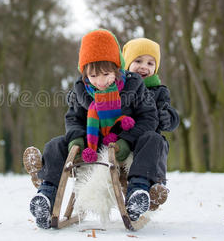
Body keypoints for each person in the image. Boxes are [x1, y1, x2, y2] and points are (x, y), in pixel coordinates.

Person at [28, 29, 167, 229]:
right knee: (56, 144)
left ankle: (138, 191)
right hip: (92, 143)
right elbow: (73, 118)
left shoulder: (134, 86)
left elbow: (149, 117)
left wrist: (126, 141)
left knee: (153, 139)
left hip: (126, 141)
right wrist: (76, 138)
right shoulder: (80, 90)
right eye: (93, 76)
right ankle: (46, 196)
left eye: (106, 74)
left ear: (117, 69)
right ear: (84, 73)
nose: (100, 82)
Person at [122, 37, 180, 210]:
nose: (144, 66)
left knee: (156, 140)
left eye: (150, 63)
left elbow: (169, 114)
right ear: (126, 64)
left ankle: (139, 190)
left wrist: (167, 117)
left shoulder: (159, 91)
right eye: (138, 61)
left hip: (146, 142)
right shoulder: (120, 88)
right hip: (123, 139)